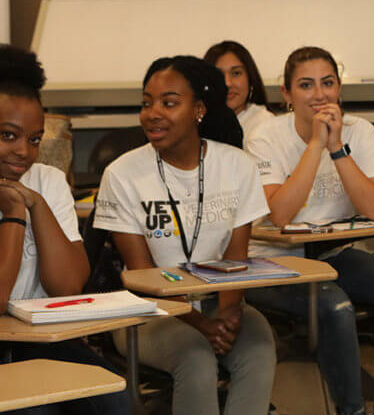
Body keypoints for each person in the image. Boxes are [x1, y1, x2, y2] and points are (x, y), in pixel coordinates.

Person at [244, 46, 374, 415]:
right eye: (306, 85)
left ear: (339, 88)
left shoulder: (359, 131)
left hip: (333, 254)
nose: (319, 94)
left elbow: (372, 207)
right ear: (287, 95)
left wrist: (337, 147)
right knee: (335, 307)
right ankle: (351, 410)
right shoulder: (265, 136)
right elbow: (280, 213)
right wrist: (315, 144)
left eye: (327, 83)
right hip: (276, 262)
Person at [94, 56, 276, 415]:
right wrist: (200, 324)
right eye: (147, 103)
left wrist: (228, 316)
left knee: (259, 348)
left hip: (218, 301)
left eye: (169, 103)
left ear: (199, 110)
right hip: (147, 312)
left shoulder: (237, 166)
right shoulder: (122, 174)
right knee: (194, 356)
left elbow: (237, 260)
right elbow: (142, 276)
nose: (152, 113)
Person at [0, 45, 132, 415]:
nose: (23, 152)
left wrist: (36, 204)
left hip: (40, 340)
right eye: (8, 135)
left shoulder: (47, 181)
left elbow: (67, 286)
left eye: (35, 139)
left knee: (113, 397)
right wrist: (13, 214)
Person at [203, 40, 275, 139]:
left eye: (236, 73)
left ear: (250, 79)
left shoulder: (265, 124)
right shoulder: (197, 124)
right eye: (218, 75)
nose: (227, 83)